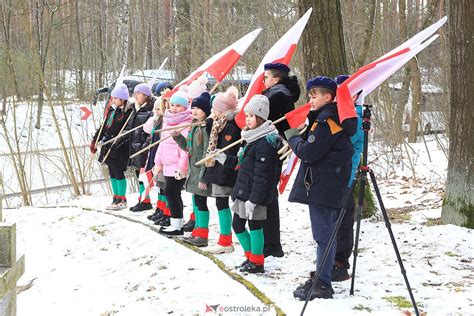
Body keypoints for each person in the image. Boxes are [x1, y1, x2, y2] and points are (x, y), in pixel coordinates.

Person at [285, 76, 353, 300]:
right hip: (326, 185)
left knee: (323, 236)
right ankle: (323, 278)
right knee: (326, 234)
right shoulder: (324, 119)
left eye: (314, 96)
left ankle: (323, 283)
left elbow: (308, 152)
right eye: (310, 95)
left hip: (324, 187)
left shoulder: (327, 122)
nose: (310, 100)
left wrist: (293, 137)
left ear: (328, 97)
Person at [216, 94, 283, 273]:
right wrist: (224, 159)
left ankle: (257, 262)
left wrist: (254, 200)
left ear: (261, 118)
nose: (248, 119)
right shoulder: (251, 139)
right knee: (238, 225)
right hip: (244, 191)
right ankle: (251, 257)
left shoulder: (265, 144)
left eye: (252, 116)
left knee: (254, 226)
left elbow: (262, 176)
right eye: (246, 116)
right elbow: (242, 164)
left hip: (255, 195)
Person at [260, 62, 301, 258]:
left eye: (266, 77)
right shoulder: (275, 93)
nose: (263, 80)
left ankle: (271, 243)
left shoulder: (278, 96)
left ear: (276, 79)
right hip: (266, 147)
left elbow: (271, 121)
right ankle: (267, 241)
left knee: (267, 195)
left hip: (271, 147)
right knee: (265, 194)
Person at [200, 86, 241, 254]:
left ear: (223, 110)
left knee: (222, 203)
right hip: (217, 170)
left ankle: (226, 241)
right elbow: (214, 141)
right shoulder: (218, 124)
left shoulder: (231, 126)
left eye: (215, 109)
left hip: (225, 172)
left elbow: (228, 149)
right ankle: (224, 239)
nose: (212, 112)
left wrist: (220, 158)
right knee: (220, 203)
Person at [331, 75, 365, 281]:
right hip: (336, 174)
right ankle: (333, 259)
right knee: (335, 219)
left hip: (345, 174)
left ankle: (340, 262)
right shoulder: (345, 114)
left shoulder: (356, 116)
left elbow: (347, 139)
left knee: (343, 220)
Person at [172, 92, 212, 247]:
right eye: (193, 108)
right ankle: (197, 230)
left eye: (199, 108)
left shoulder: (205, 128)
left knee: (201, 202)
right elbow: (189, 149)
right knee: (196, 201)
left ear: (206, 110)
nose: (195, 111)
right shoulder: (194, 125)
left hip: (201, 171)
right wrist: (177, 138)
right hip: (193, 171)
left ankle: (203, 234)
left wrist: (203, 177)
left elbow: (206, 153)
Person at [154, 86, 193, 236]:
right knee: (171, 193)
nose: (174, 108)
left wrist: (182, 168)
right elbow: (161, 144)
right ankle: (175, 223)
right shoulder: (167, 120)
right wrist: (158, 163)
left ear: (185, 106)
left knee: (172, 192)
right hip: (167, 164)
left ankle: (177, 224)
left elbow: (185, 149)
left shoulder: (187, 123)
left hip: (177, 166)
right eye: (172, 105)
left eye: (178, 105)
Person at [90, 83, 132, 210]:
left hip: (120, 147)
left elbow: (127, 131)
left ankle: (122, 198)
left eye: (116, 98)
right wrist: (95, 140)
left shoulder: (128, 112)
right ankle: (115, 197)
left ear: (123, 99)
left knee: (119, 171)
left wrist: (118, 141)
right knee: (112, 171)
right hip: (108, 145)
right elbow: (104, 127)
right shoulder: (112, 111)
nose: (113, 100)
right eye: (113, 97)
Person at [127, 83, 156, 212]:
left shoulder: (151, 110)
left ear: (146, 95)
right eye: (135, 93)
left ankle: (145, 200)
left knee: (144, 175)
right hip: (135, 146)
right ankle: (142, 198)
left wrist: (144, 146)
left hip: (144, 147)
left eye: (138, 93)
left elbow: (151, 131)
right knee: (138, 174)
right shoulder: (135, 108)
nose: (135, 96)